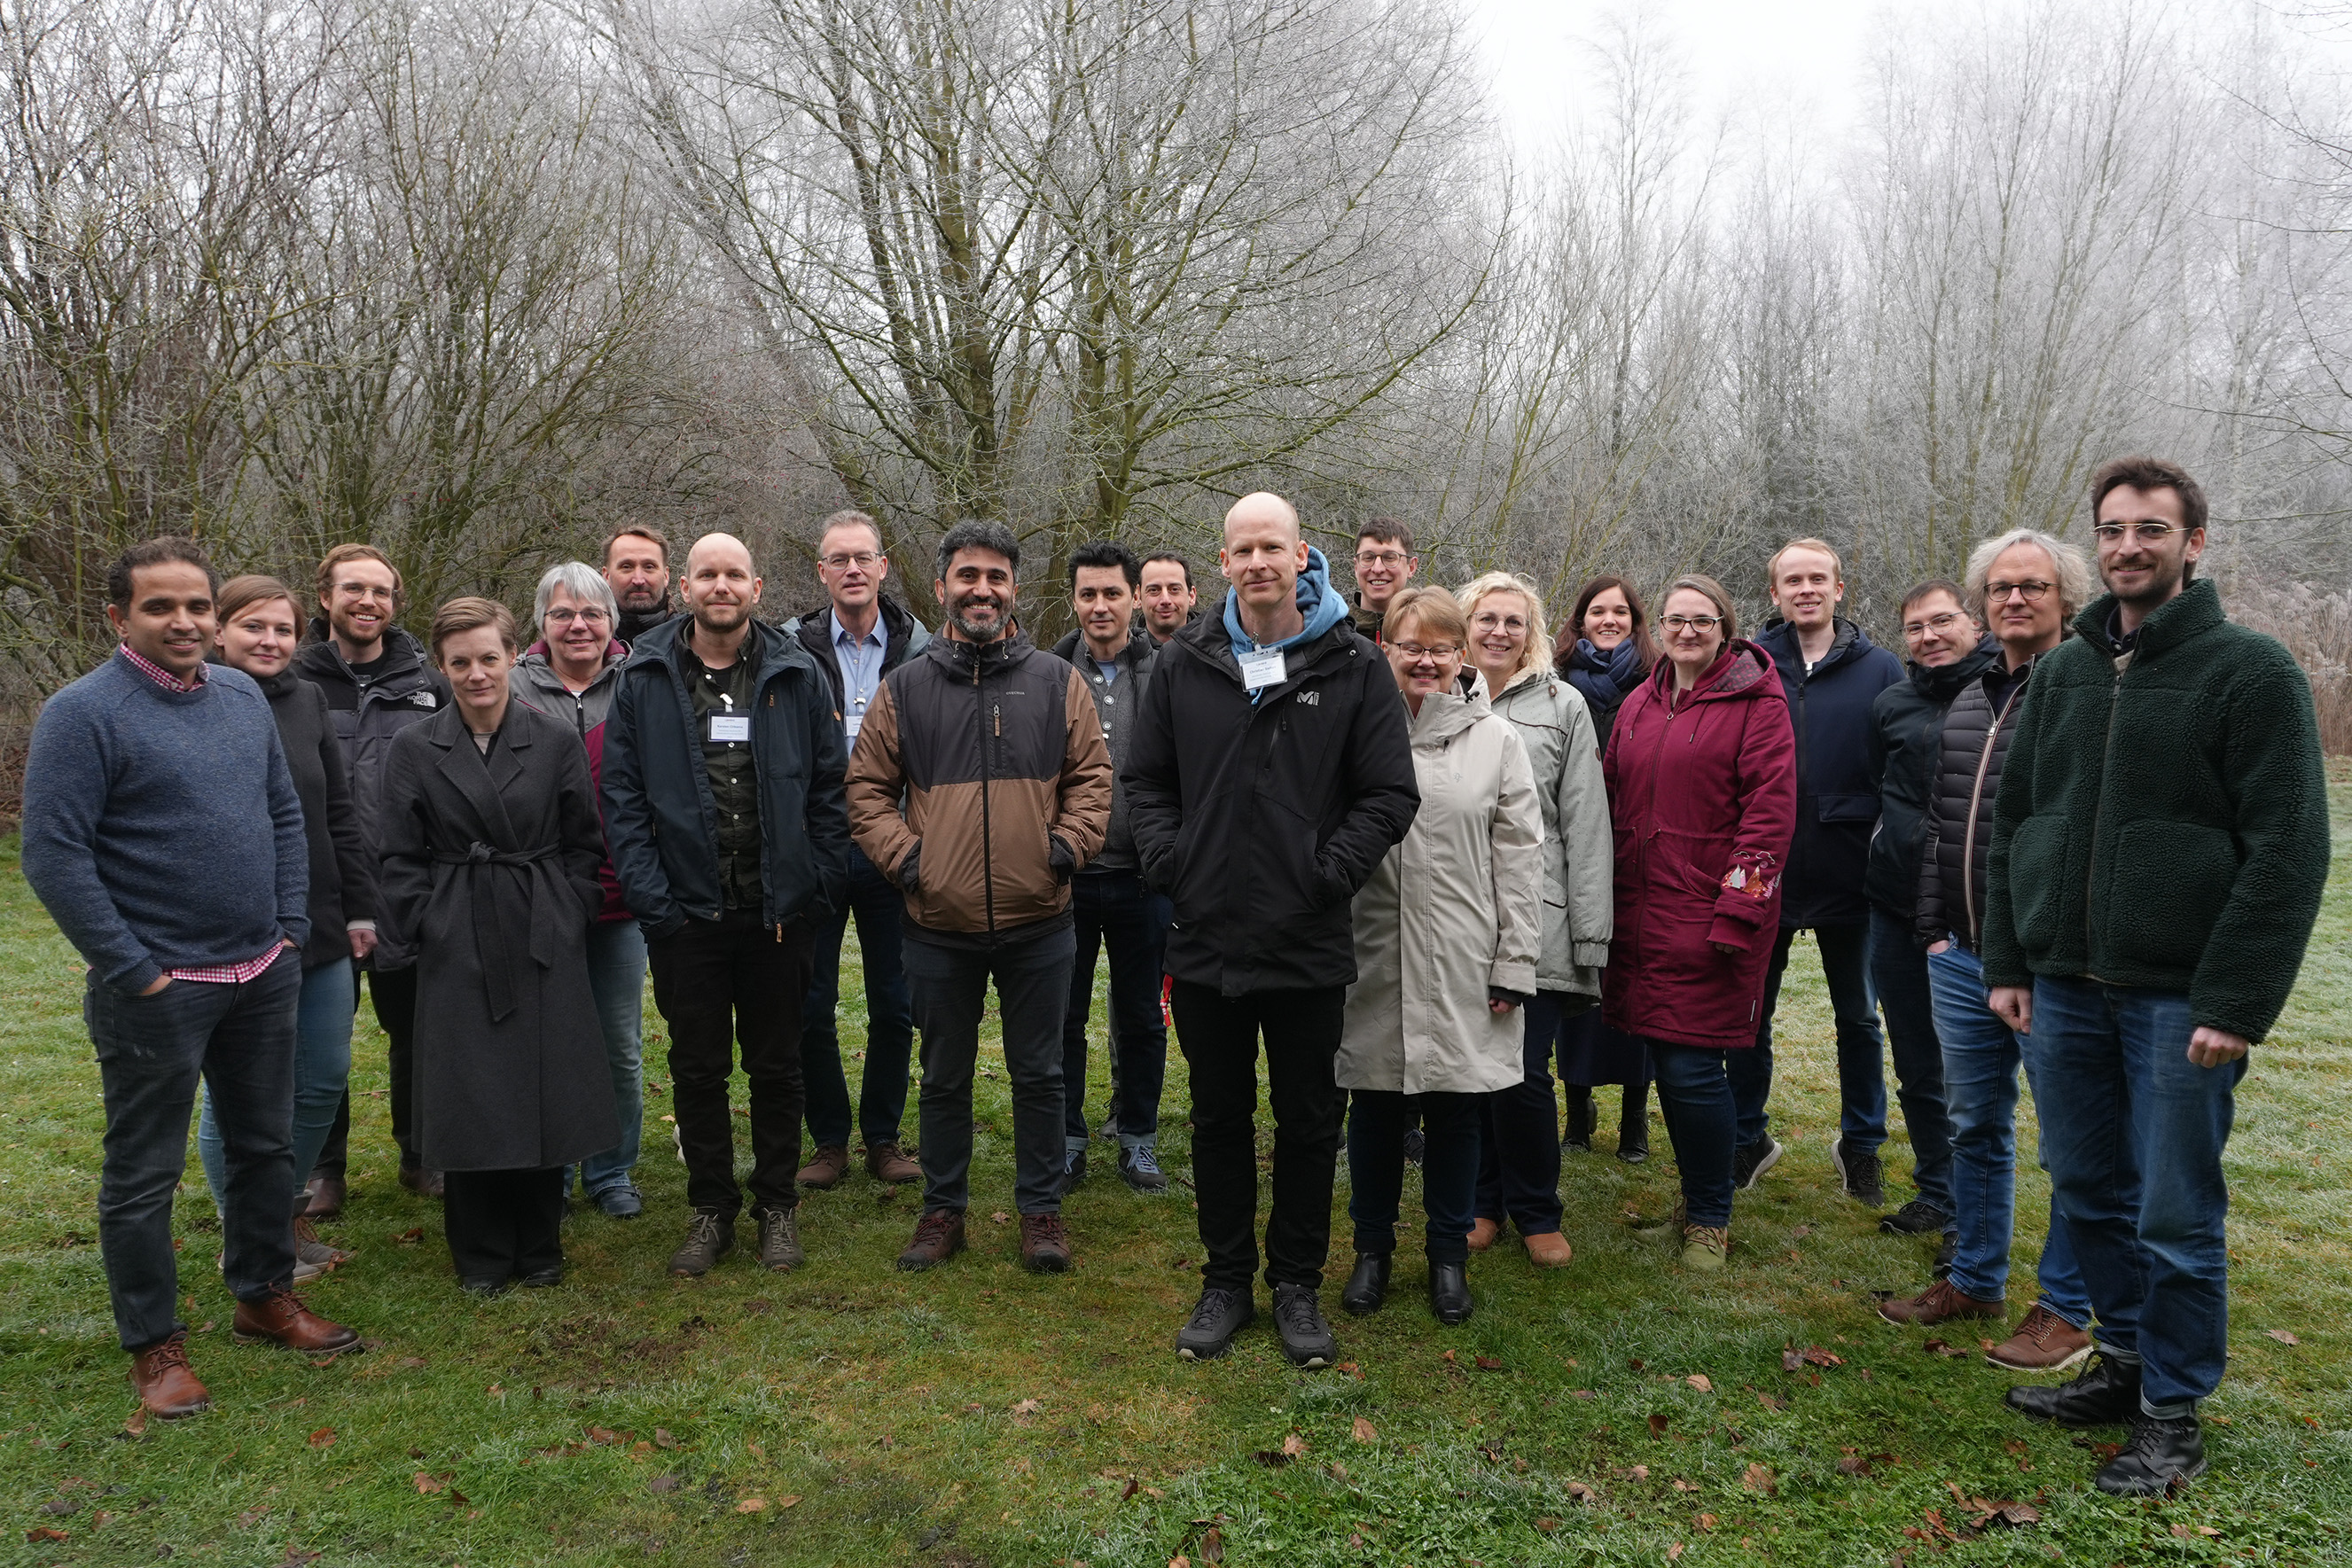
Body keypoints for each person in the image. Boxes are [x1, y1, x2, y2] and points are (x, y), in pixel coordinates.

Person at [1984, 458, 2329, 1496]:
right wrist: (2010, 957)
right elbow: (2015, 823)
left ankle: (2171, 1411)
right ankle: (2125, 1364)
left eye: (2150, 528)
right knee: (2087, 1189)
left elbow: (2288, 846)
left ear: (2193, 543)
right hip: (2062, 990)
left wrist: (2234, 999)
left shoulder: (2249, 670)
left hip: (2179, 999)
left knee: (2174, 1212)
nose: (2127, 544)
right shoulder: (2064, 673)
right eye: (2112, 528)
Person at [23, 538, 360, 1420]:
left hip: (261, 970)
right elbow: (54, 855)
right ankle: (156, 1345)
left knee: (265, 1148)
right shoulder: (81, 713)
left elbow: (284, 811)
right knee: (143, 1174)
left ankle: (262, 1295)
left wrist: (288, 930)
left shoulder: (243, 694)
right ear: (118, 617)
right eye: (160, 607)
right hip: (159, 990)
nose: (184, 622)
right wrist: (135, 970)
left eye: (196, 606)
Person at [1126, 491, 1418, 1367]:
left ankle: (1294, 1283)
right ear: (1223, 562)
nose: (1257, 562)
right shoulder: (1185, 663)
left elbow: (1388, 793)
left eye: (1272, 547)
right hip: (1208, 935)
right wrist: (1175, 862)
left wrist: (1325, 874)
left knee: (1306, 1118)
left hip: (1307, 938)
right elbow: (1145, 781)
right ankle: (1225, 1281)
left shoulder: (1353, 664)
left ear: (1301, 556)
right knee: (1216, 1117)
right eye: (1242, 548)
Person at [847, 519, 1112, 1274]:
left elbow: (1094, 780)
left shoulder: (1056, 682)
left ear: (1014, 589)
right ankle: (942, 1210)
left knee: (1039, 1074)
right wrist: (909, 862)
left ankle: (1040, 1211)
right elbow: (866, 791)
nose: (982, 590)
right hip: (938, 920)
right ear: (941, 587)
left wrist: (1062, 850)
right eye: (968, 576)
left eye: (996, 577)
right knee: (943, 1075)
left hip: (1040, 917)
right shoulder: (905, 688)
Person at [1875, 534, 2101, 1376]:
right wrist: (1934, 925)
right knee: (1974, 1124)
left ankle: (2067, 1307)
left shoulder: (2085, 687)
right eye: (1999, 588)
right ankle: (1973, 1276)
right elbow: (1941, 824)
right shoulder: (1974, 697)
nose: (2014, 600)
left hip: (2049, 964)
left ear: (2063, 596)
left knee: (2072, 1142)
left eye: (2031, 587)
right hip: (1960, 954)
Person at [602, 533, 852, 1276]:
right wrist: (656, 903)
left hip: (779, 915)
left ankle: (777, 1206)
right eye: (706, 573)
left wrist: (819, 885)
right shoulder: (644, 675)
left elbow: (829, 791)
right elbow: (622, 799)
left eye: (733, 574)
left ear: (757, 585)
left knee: (778, 1068)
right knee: (698, 1069)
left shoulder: (797, 672)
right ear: (685, 586)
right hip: (687, 920)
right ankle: (710, 1208)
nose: (720, 585)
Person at [379, 598, 614, 1293]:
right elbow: (397, 855)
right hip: (458, 930)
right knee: (469, 1090)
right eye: (460, 662)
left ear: (515, 655)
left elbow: (584, 844)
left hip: (540, 923)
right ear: (441, 666)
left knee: (543, 1085)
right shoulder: (414, 747)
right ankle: (479, 1251)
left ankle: (539, 1244)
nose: (476, 673)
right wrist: (432, 921)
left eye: (488, 657)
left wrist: (569, 911)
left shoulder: (551, 739)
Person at [1337, 588, 1541, 1326]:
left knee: (1457, 1110)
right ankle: (1371, 1250)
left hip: (1464, 955)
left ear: (1460, 655)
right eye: (1408, 644)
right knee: (1375, 1105)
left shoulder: (1498, 741)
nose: (1424, 659)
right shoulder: (1353, 728)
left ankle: (1447, 1257)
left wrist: (1514, 960)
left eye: (1439, 646)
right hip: (1373, 952)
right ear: (1383, 646)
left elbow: (1520, 859)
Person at [1605, 575, 1795, 1272]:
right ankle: (1691, 1203)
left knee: (1691, 1068)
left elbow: (1768, 819)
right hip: (1639, 909)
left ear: (1725, 626)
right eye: (1675, 620)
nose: (1687, 631)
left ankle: (1712, 1216)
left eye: (1701, 620)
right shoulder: (1638, 702)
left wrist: (1739, 910)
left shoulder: (1757, 704)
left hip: (1709, 913)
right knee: (1665, 1062)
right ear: (1659, 625)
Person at [192, 577, 379, 1283]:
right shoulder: (195, 699)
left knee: (322, 1078)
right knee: (239, 1091)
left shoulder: (306, 699)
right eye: (253, 627)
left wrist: (359, 907)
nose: (269, 641)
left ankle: (274, 1213)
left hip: (322, 922)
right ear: (219, 632)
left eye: (281, 629)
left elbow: (339, 811)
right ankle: (250, 1233)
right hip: (231, 931)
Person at [1732, 539, 1903, 1204]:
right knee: (1747, 1013)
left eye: (1817, 578)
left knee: (1859, 1016)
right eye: (1791, 580)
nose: (1805, 589)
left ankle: (1861, 1144)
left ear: (1839, 588)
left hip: (1851, 873)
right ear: (1774, 593)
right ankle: (1746, 1136)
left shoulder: (1880, 668)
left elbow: (1900, 764)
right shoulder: (1748, 665)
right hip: (1762, 870)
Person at [1457, 573, 1610, 1267]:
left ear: (1533, 630)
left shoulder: (1563, 704)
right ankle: (1480, 1204)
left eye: (1512, 621)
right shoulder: (1436, 697)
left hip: (1536, 920)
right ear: (1463, 626)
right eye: (1484, 618)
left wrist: (1588, 934)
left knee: (1522, 1074)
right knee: (1469, 1074)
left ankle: (1537, 1210)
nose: (1497, 631)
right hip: (1455, 917)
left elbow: (1585, 823)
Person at [293, 543, 450, 1212]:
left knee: (416, 1029)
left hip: (404, 886)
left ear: (396, 601)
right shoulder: (292, 680)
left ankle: (421, 1153)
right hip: (318, 890)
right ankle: (323, 1170)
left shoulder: (426, 680)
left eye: (381, 591)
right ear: (324, 596)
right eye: (353, 588)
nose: (367, 601)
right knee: (320, 1037)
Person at [782, 511, 927, 1191]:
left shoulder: (920, 648)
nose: (851, 569)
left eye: (861, 557)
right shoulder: (790, 647)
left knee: (895, 1001)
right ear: (821, 572)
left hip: (893, 843)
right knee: (809, 1002)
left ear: (882, 565)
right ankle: (829, 1139)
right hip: (816, 845)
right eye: (837, 559)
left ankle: (882, 1136)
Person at [1856, 579, 1989, 1268]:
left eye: (1942, 621)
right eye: (1914, 627)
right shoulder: (1892, 704)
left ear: (1973, 621)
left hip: (1975, 916)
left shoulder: (2006, 694)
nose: (1928, 635)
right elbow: (1883, 788)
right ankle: (1937, 1188)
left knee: (1971, 1068)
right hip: (1896, 905)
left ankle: (1974, 1210)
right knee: (1915, 1058)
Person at [509, 563, 649, 1219]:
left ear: (611, 621)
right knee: (544, 1039)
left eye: (592, 612)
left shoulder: (643, 684)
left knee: (617, 1043)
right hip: (536, 898)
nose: (578, 624)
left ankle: (611, 1168)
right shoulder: (511, 689)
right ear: (542, 622)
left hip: (620, 900)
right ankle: (551, 1168)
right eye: (563, 613)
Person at [1051, 541, 1172, 1192]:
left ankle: (1138, 1138)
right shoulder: (1046, 672)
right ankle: (1068, 1141)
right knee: (1063, 1017)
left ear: (1134, 597)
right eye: (1088, 594)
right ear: (1073, 599)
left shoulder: (1169, 671)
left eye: (1112, 593)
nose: (1100, 605)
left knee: (1141, 1018)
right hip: (1065, 878)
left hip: (1143, 879)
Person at [1551, 574, 1658, 1158]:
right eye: (1598, 610)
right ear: (1581, 618)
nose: (1609, 619)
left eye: (1621, 611)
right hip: (1574, 850)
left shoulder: (1655, 681)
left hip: (1639, 852)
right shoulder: (1558, 680)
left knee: (1632, 988)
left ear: (1636, 620)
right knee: (1576, 982)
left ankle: (1635, 1119)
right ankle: (1576, 1113)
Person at [1348, 519, 1418, 641]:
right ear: (1356, 567)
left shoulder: (1431, 634)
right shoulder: (1333, 634)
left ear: (1411, 567)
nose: (1377, 569)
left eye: (1390, 558)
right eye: (1368, 558)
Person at [606, 526, 676, 644]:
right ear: (607, 576)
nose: (638, 580)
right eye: (626, 567)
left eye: (649, 567)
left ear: (666, 576)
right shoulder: (587, 643)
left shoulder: (690, 639)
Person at [1139, 552, 1200, 645]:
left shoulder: (1218, 651)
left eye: (1174, 589)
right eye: (1154, 590)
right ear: (1137, 597)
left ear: (1192, 596)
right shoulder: (1121, 654)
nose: (1165, 600)